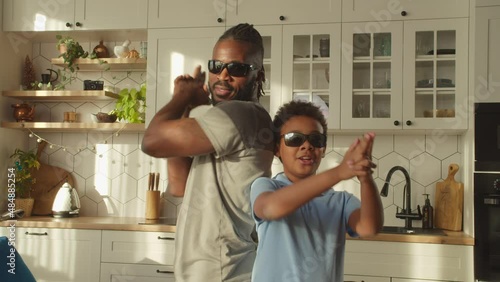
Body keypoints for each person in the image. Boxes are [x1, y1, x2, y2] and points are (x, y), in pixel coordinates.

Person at [141, 23, 275, 282]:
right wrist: (189, 106)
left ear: (258, 75)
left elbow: (152, 141)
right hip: (209, 270)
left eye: (237, 68)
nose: (223, 75)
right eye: (216, 66)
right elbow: (180, 183)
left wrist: (180, 96)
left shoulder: (243, 114)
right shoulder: (224, 122)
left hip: (223, 271)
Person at [250, 100, 384, 282]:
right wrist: (339, 172)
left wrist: (365, 177)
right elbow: (270, 208)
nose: (307, 146)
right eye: (294, 139)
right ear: (277, 149)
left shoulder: (342, 201)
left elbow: (369, 228)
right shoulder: (267, 186)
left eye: (315, 139)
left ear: (323, 148)